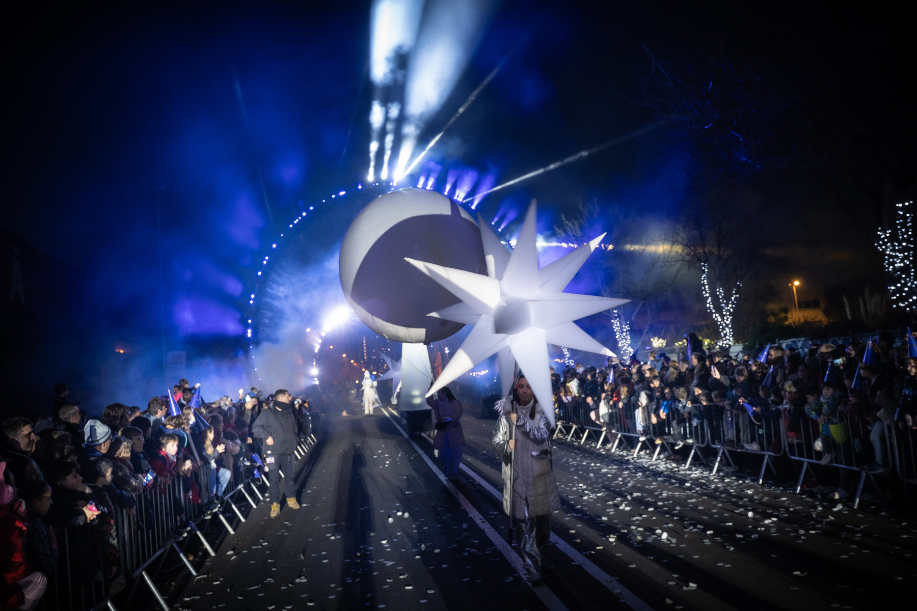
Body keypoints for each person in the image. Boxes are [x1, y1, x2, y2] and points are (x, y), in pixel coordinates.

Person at [491, 374, 561, 584]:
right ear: (516, 388)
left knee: (543, 523)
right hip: (519, 476)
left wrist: (520, 421)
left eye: (529, 387)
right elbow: (496, 441)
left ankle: (544, 558)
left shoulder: (542, 412)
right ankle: (531, 566)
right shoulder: (506, 414)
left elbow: (541, 436)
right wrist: (506, 446)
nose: (524, 390)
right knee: (526, 523)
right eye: (521, 386)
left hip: (540, 475)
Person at [251, 389, 300, 518]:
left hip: (288, 449)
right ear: (282, 398)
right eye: (288, 396)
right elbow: (255, 427)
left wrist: (294, 439)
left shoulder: (289, 412)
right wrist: (267, 436)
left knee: (290, 476)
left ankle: (291, 498)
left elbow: (294, 427)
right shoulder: (267, 413)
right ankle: (275, 504)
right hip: (272, 452)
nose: (290, 398)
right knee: (274, 479)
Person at [427, 387, 465, 480]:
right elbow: (429, 400)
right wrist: (430, 390)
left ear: (445, 393)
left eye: (440, 393)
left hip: (454, 431)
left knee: (456, 453)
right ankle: (446, 469)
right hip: (442, 432)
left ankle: (454, 471)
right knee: (442, 453)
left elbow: (457, 415)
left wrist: (446, 421)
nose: (438, 395)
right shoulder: (437, 403)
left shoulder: (455, 403)